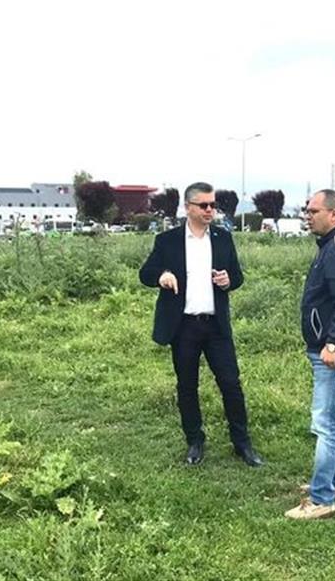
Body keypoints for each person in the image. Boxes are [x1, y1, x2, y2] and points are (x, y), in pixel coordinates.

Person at [139, 182, 264, 467]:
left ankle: (242, 443)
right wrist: (161, 276)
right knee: (187, 385)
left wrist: (228, 280)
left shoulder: (222, 237)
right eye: (204, 205)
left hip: (216, 326)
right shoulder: (167, 240)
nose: (210, 210)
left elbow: (237, 277)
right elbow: (145, 273)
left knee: (231, 383)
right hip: (183, 327)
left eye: (213, 205)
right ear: (188, 207)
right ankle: (195, 441)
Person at [285, 189, 335, 519]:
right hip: (334, 348)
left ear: (334, 214)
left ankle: (321, 499)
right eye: (306, 210)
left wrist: (333, 343)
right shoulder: (331, 244)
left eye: (313, 211)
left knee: (326, 423)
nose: (308, 216)